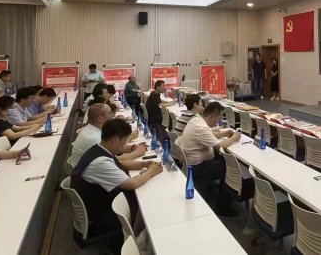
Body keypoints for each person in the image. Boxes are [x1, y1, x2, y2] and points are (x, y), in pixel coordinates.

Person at [71, 118, 162, 254]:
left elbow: (119, 164)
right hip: (102, 214)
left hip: (101, 203)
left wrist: (143, 164)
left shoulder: (99, 150)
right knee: (149, 205)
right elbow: (131, 184)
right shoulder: (100, 162)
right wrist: (151, 172)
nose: (125, 145)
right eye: (124, 141)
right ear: (114, 140)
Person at [178, 101, 241, 216]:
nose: (218, 122)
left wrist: (224, 134)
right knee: (229, 168)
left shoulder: (196, 120)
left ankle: (222, 191)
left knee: (222, 159)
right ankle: (222, 207)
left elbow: (208, 135)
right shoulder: (201, 127)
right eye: (219, 118)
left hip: (190, 164)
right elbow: (220, 146)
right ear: (212, 116)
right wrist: (234, 138)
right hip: (195, 168)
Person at [69, 104, 144, 167]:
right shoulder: (94, 138)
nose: (113, 115)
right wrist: (137, 153)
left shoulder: (93, 130)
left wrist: (132, 147)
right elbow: (116, 159)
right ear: (100, 118)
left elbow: (114, 148)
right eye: (110, 113)